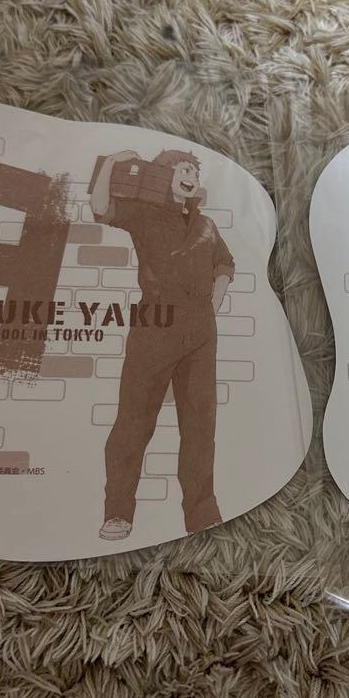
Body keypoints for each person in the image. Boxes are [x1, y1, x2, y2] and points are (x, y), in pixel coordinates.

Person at [89, 149, 234, 540]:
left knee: (200, 425)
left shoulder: (205, 225)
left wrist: (212, 305)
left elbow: (225, 264)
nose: (191, 176)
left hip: (200, 329)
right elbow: (101, 208)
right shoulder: (144, 213)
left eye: (194, 172)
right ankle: (118, 513)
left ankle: (202, 514)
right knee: (134, 420)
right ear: (163, 174)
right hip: (155, 321)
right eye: (183, 169)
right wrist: (110, 163)